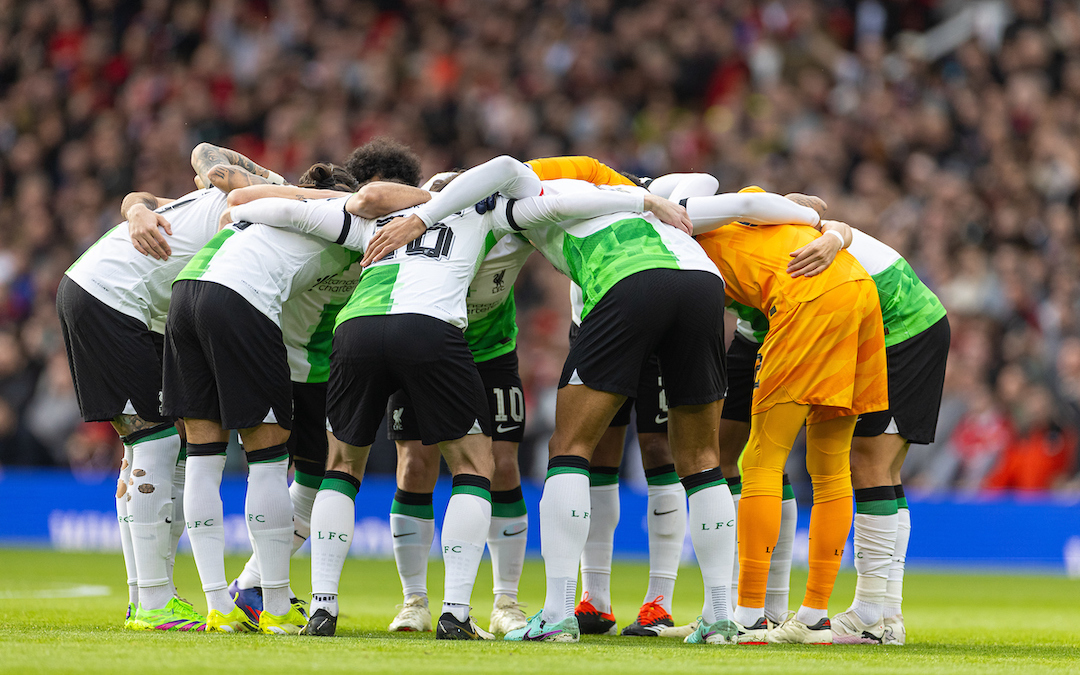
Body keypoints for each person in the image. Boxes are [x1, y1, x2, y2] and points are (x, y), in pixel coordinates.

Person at [364, 155, 822, 644]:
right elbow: (727, 197)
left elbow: (496, 175)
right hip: (701, 284)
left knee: (570, 448)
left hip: (629, 284)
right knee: (703, 460)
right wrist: (812, 216)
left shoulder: (527, 203)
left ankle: (558, 614)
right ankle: (720, 616)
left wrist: (422, 216)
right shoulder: (659, 203)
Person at [228, 155, 676, 640]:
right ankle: (448, 611)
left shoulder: (381, 219)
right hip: (433, 333)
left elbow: (278, 209)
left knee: (343, 466)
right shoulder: (488, 210)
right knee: (467, 465)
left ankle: (327, 608)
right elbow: (550, 191)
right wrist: (642, 197)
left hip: (371, 333)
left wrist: (241, 214)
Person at [56, 141, 284, 631]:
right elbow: (205, 152)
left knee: (148, 449)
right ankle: (155, 602)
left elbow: (166, 182)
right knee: (156, 445)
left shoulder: (205, 198)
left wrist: (136, 206)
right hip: (114, 299)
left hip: (104, 294)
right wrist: (136, 207)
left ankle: (145, 596)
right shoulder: (247, 204)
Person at [162, 163, 370, 634]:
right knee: (270, 459)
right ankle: (274, 603)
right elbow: (370, 206)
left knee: (203, 457)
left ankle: (218, 602)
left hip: (188, 291)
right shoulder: (342, 217)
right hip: (242, 298)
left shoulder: (259, 206)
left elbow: (230, 193)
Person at [693, 187, 888, 645]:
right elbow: (810, 207)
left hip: (807, 301)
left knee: (761, 460)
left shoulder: (681, 246)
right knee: (831, 466)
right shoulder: (748, 205)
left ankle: (748, 615)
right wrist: (832, 231)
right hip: (859, 291)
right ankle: (816, 616)